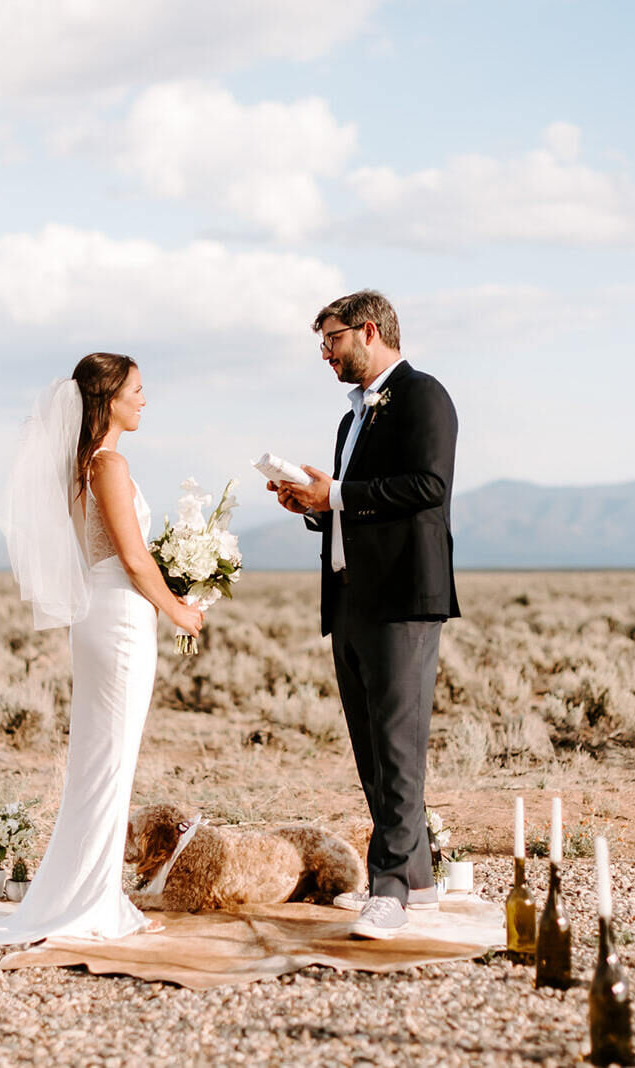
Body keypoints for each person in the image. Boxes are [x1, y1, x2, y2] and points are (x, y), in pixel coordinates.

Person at [0, 353, 202, 951]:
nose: (145, 399)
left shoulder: (81, 464)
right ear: (108, 401)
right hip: (122, 618)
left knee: (103, 760)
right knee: (108, 763)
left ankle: (93, 893)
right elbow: (132, 559)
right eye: (137, 389)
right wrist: (181, 609)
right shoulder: (108, 463)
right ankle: (92, 903)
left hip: (106, 615)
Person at [268, 291, 460, 939]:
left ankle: (388, 892)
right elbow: (354, 507)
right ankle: (420, 880)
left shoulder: (422, 396)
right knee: (372, 751)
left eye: (331, 339)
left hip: (402, 598)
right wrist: (313, 504)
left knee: (398, 748)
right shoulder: (351, 421)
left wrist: (339, 493)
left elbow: (428, 486)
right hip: (349, 598)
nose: (324, 352)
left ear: (367, 331)